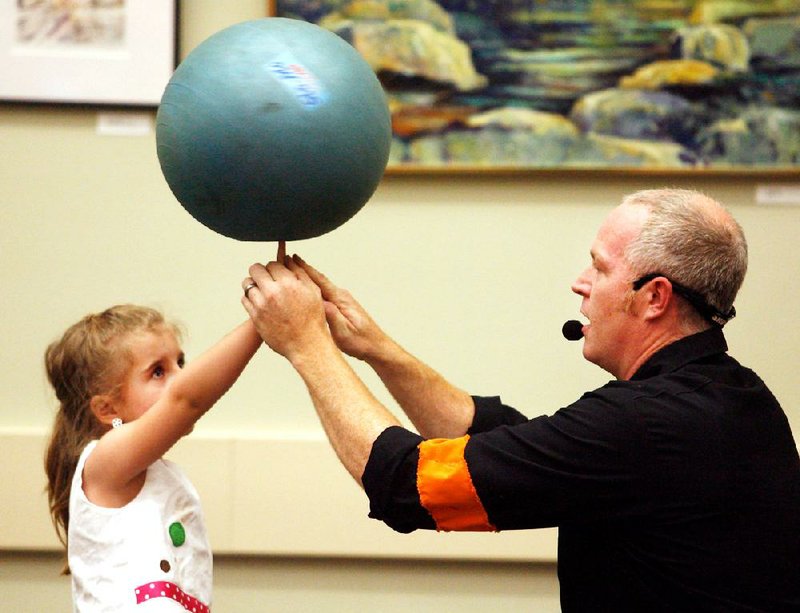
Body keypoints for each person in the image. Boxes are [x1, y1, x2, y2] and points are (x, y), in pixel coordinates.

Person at [242, 188, 800, 611]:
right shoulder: (733, 397)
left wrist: (306, 344)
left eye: (601, 268)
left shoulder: (645, 424)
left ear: (654, 297)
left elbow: (407, 485)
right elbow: (506, 444)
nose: (580, 283)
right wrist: (376, 349)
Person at [44, 303, 263, 612]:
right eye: (158, 371)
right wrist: (262, 323)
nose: (180, 378)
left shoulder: (157, 473)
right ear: (107, 409)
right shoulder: (105, 462)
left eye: (181, 363)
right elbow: (186, 400)